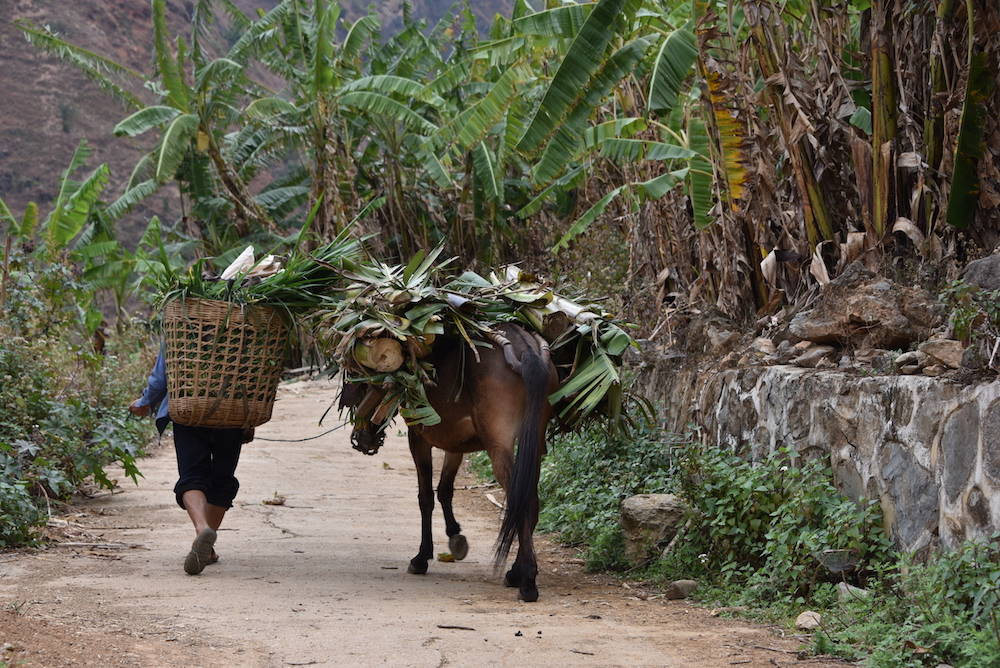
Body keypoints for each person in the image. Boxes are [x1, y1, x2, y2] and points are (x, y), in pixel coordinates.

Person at [129, 347, 251, 575]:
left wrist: (145, 401)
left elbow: (162, 374)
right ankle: (206, 545)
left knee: (192, 475)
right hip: (232, 406)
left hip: (188, 405)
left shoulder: (181, 320)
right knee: (222, 478)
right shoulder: (247, 324)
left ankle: (202, 529)